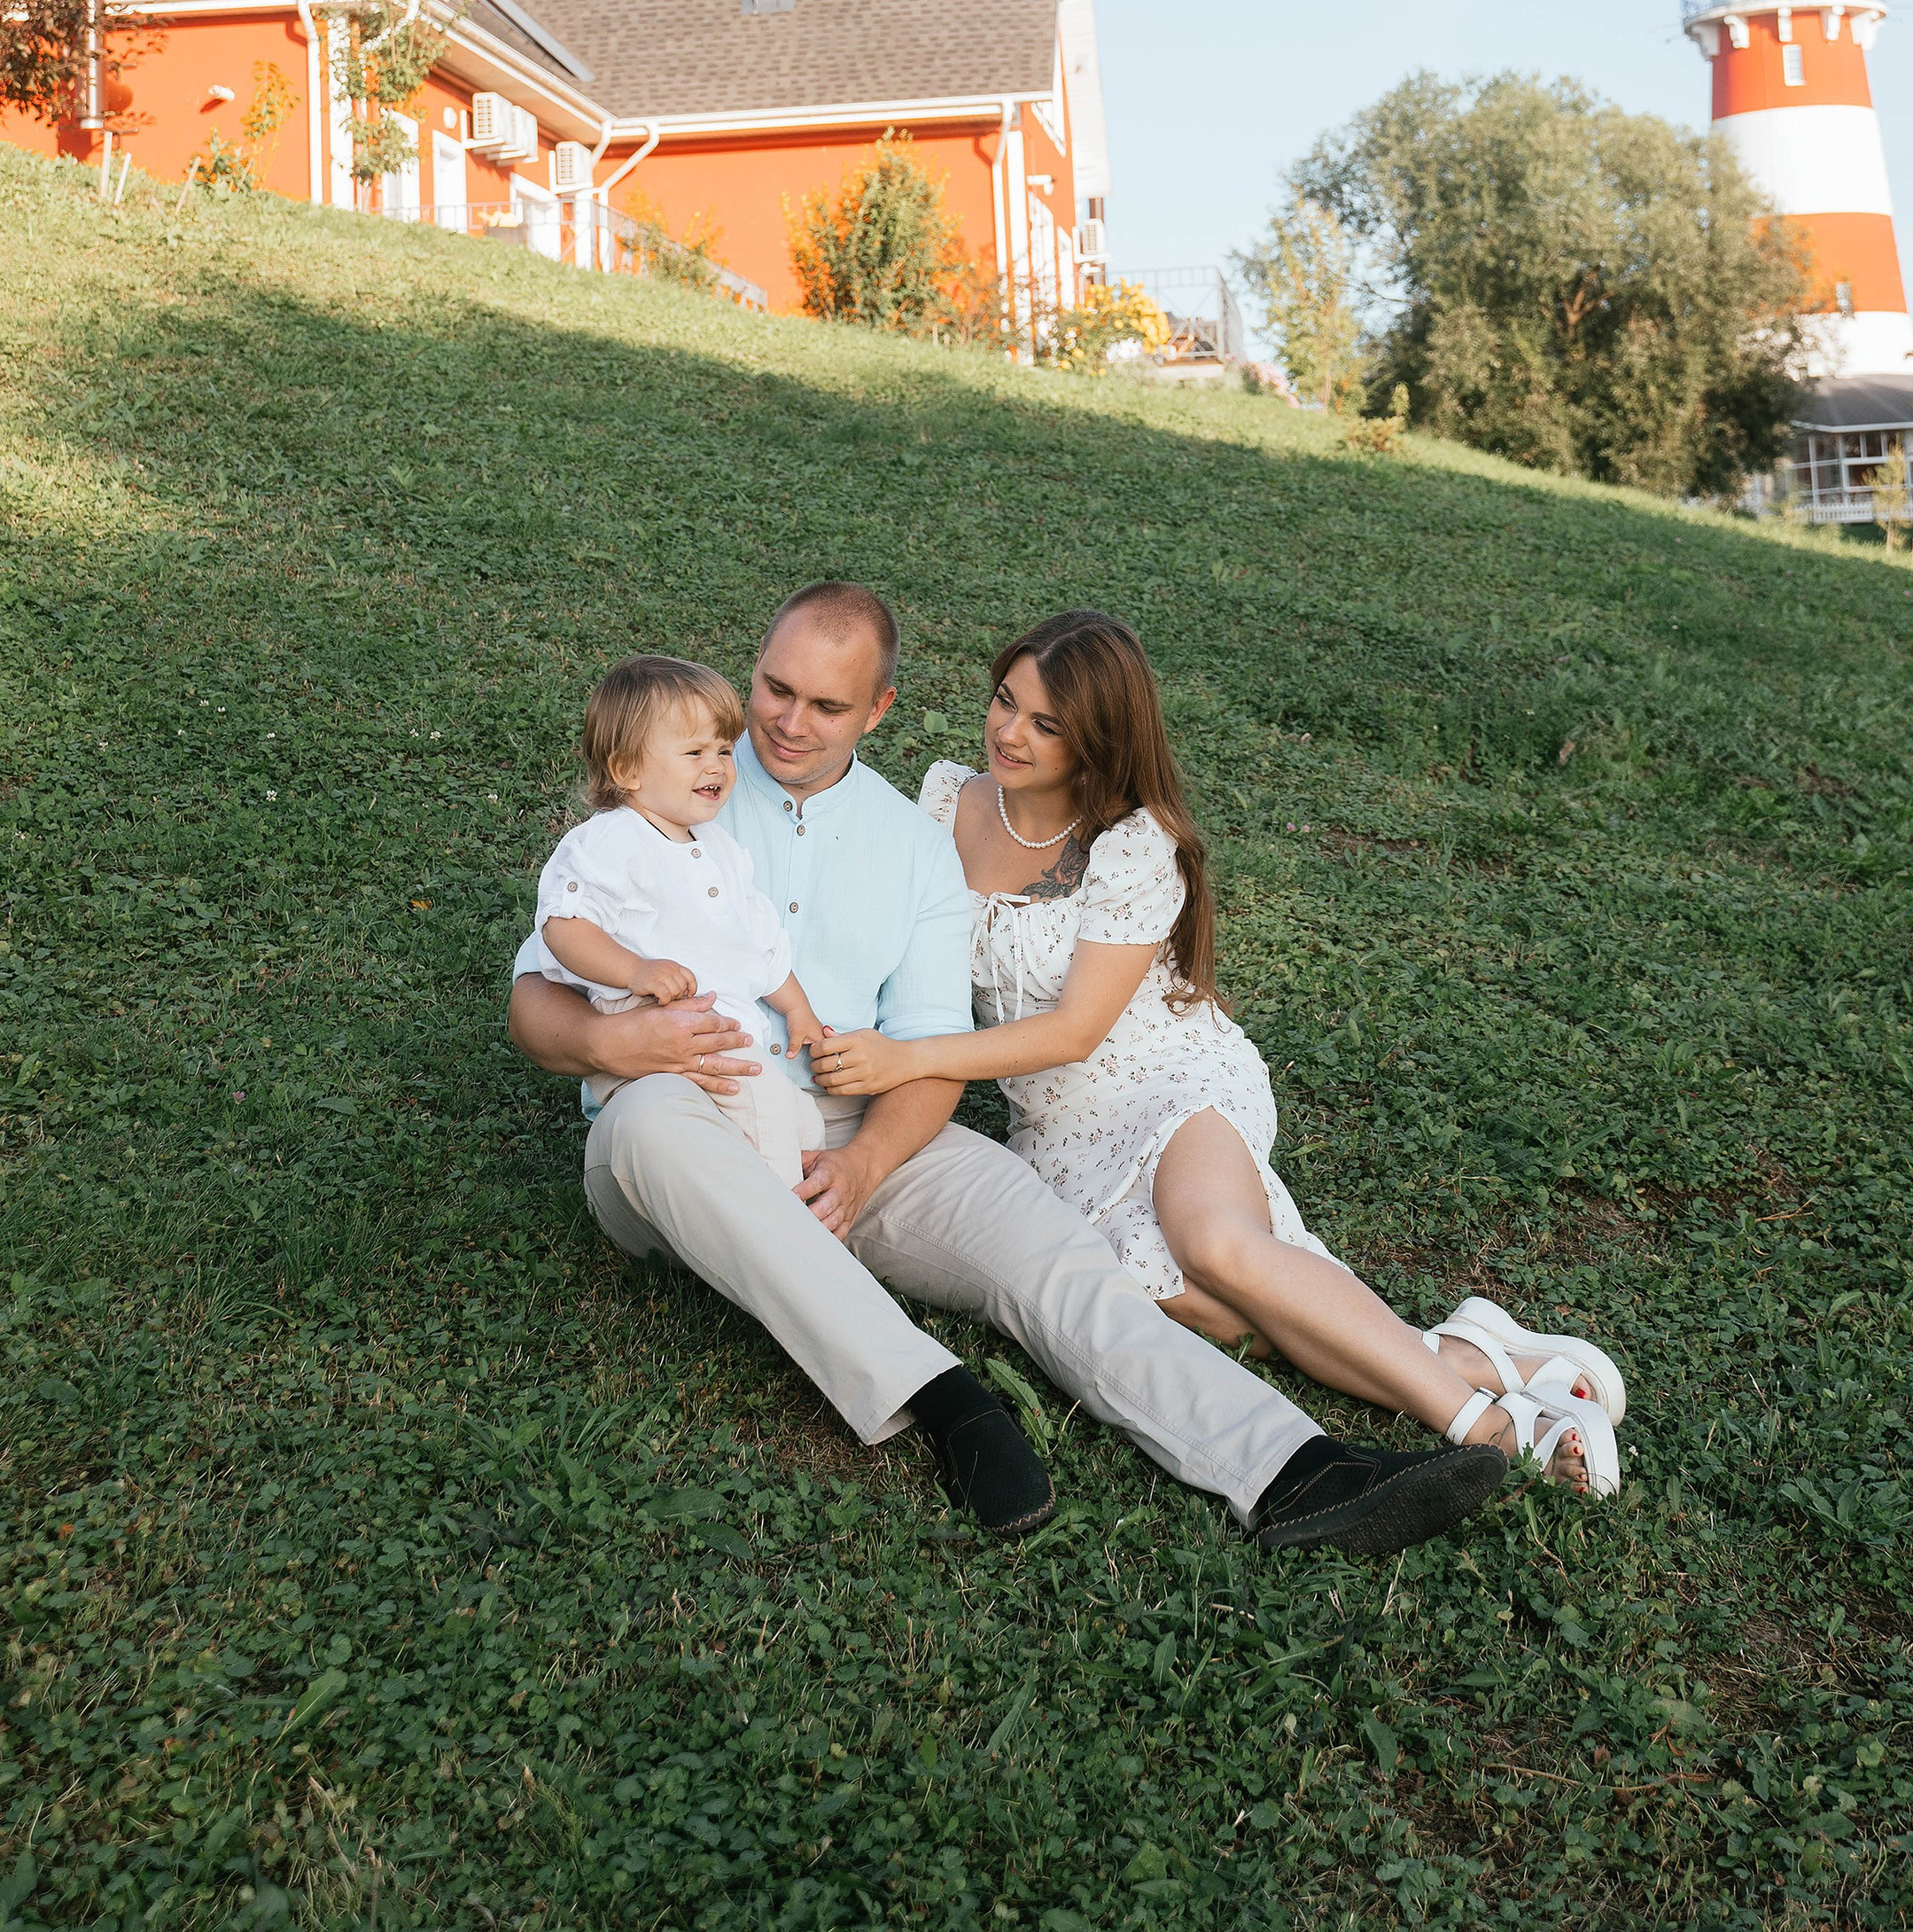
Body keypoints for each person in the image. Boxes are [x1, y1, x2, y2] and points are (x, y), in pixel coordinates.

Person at [507, 582, 1513, 1555]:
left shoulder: (917, 846)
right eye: (774, 689)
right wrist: (612, 1045)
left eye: (826, 704)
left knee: (1049, 1247)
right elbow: (535, 1001)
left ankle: (1295, 1470)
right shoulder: (669, 796)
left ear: (879, 709)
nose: (787, 724)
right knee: (644, 1126)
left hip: (855, 1134)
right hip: (681, 1126)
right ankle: (948, 1401)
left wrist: (860, 1171)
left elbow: (932, 1050)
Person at [812, 611, 1625, 1495]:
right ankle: (1464, 1352)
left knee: (1216, 1249)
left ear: (1098, 739)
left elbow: (1077, 1032)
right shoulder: (943, 800)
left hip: (1164, 1081)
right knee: (1206, 1311)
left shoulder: (1133, 842)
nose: (1009, 733)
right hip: (1051, 1132)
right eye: (1006, 702)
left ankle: (1490, 1426)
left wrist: (908, 1061)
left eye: (1046, 725)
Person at [525, 651, 826, 1190]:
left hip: (725, 1032)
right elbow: (564, 925)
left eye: (724, 751)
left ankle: (741, 1194)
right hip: (651, 1017)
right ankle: (783, 1218)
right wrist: (633, 970)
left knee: (807, 1128)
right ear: (627, 770)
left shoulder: (720, 848)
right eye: (694, 752)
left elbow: (761, 941)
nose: (716, 766)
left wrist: (798, 1009)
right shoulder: (612, 839)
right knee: (772, 1131)